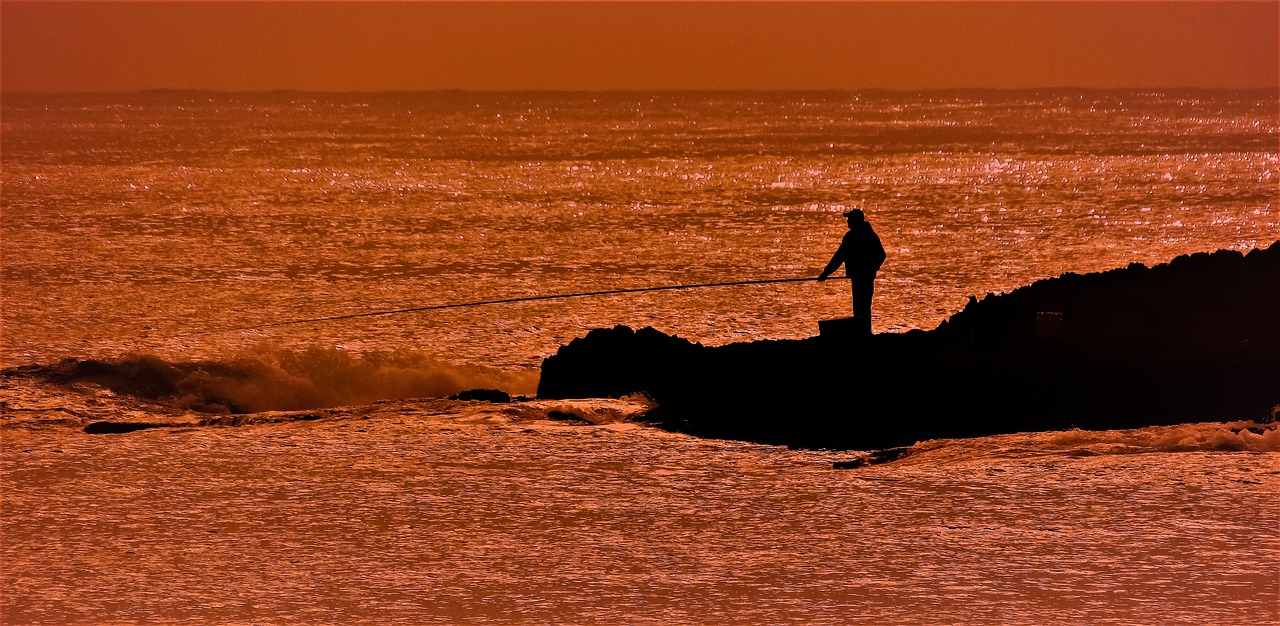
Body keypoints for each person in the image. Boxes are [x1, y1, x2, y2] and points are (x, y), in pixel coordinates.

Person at [817, 208, 886, 334]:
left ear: (856, 221)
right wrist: (873, 268)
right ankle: (864, 332)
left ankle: (863, 334)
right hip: (862, 276)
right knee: (863, 306)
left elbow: (839, 257)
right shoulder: (868, 234)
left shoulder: (853, 237)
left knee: (861, 306)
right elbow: (881, 255)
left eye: (849, 219)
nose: (847, 221)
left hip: (862, 276)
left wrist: (825, 273)